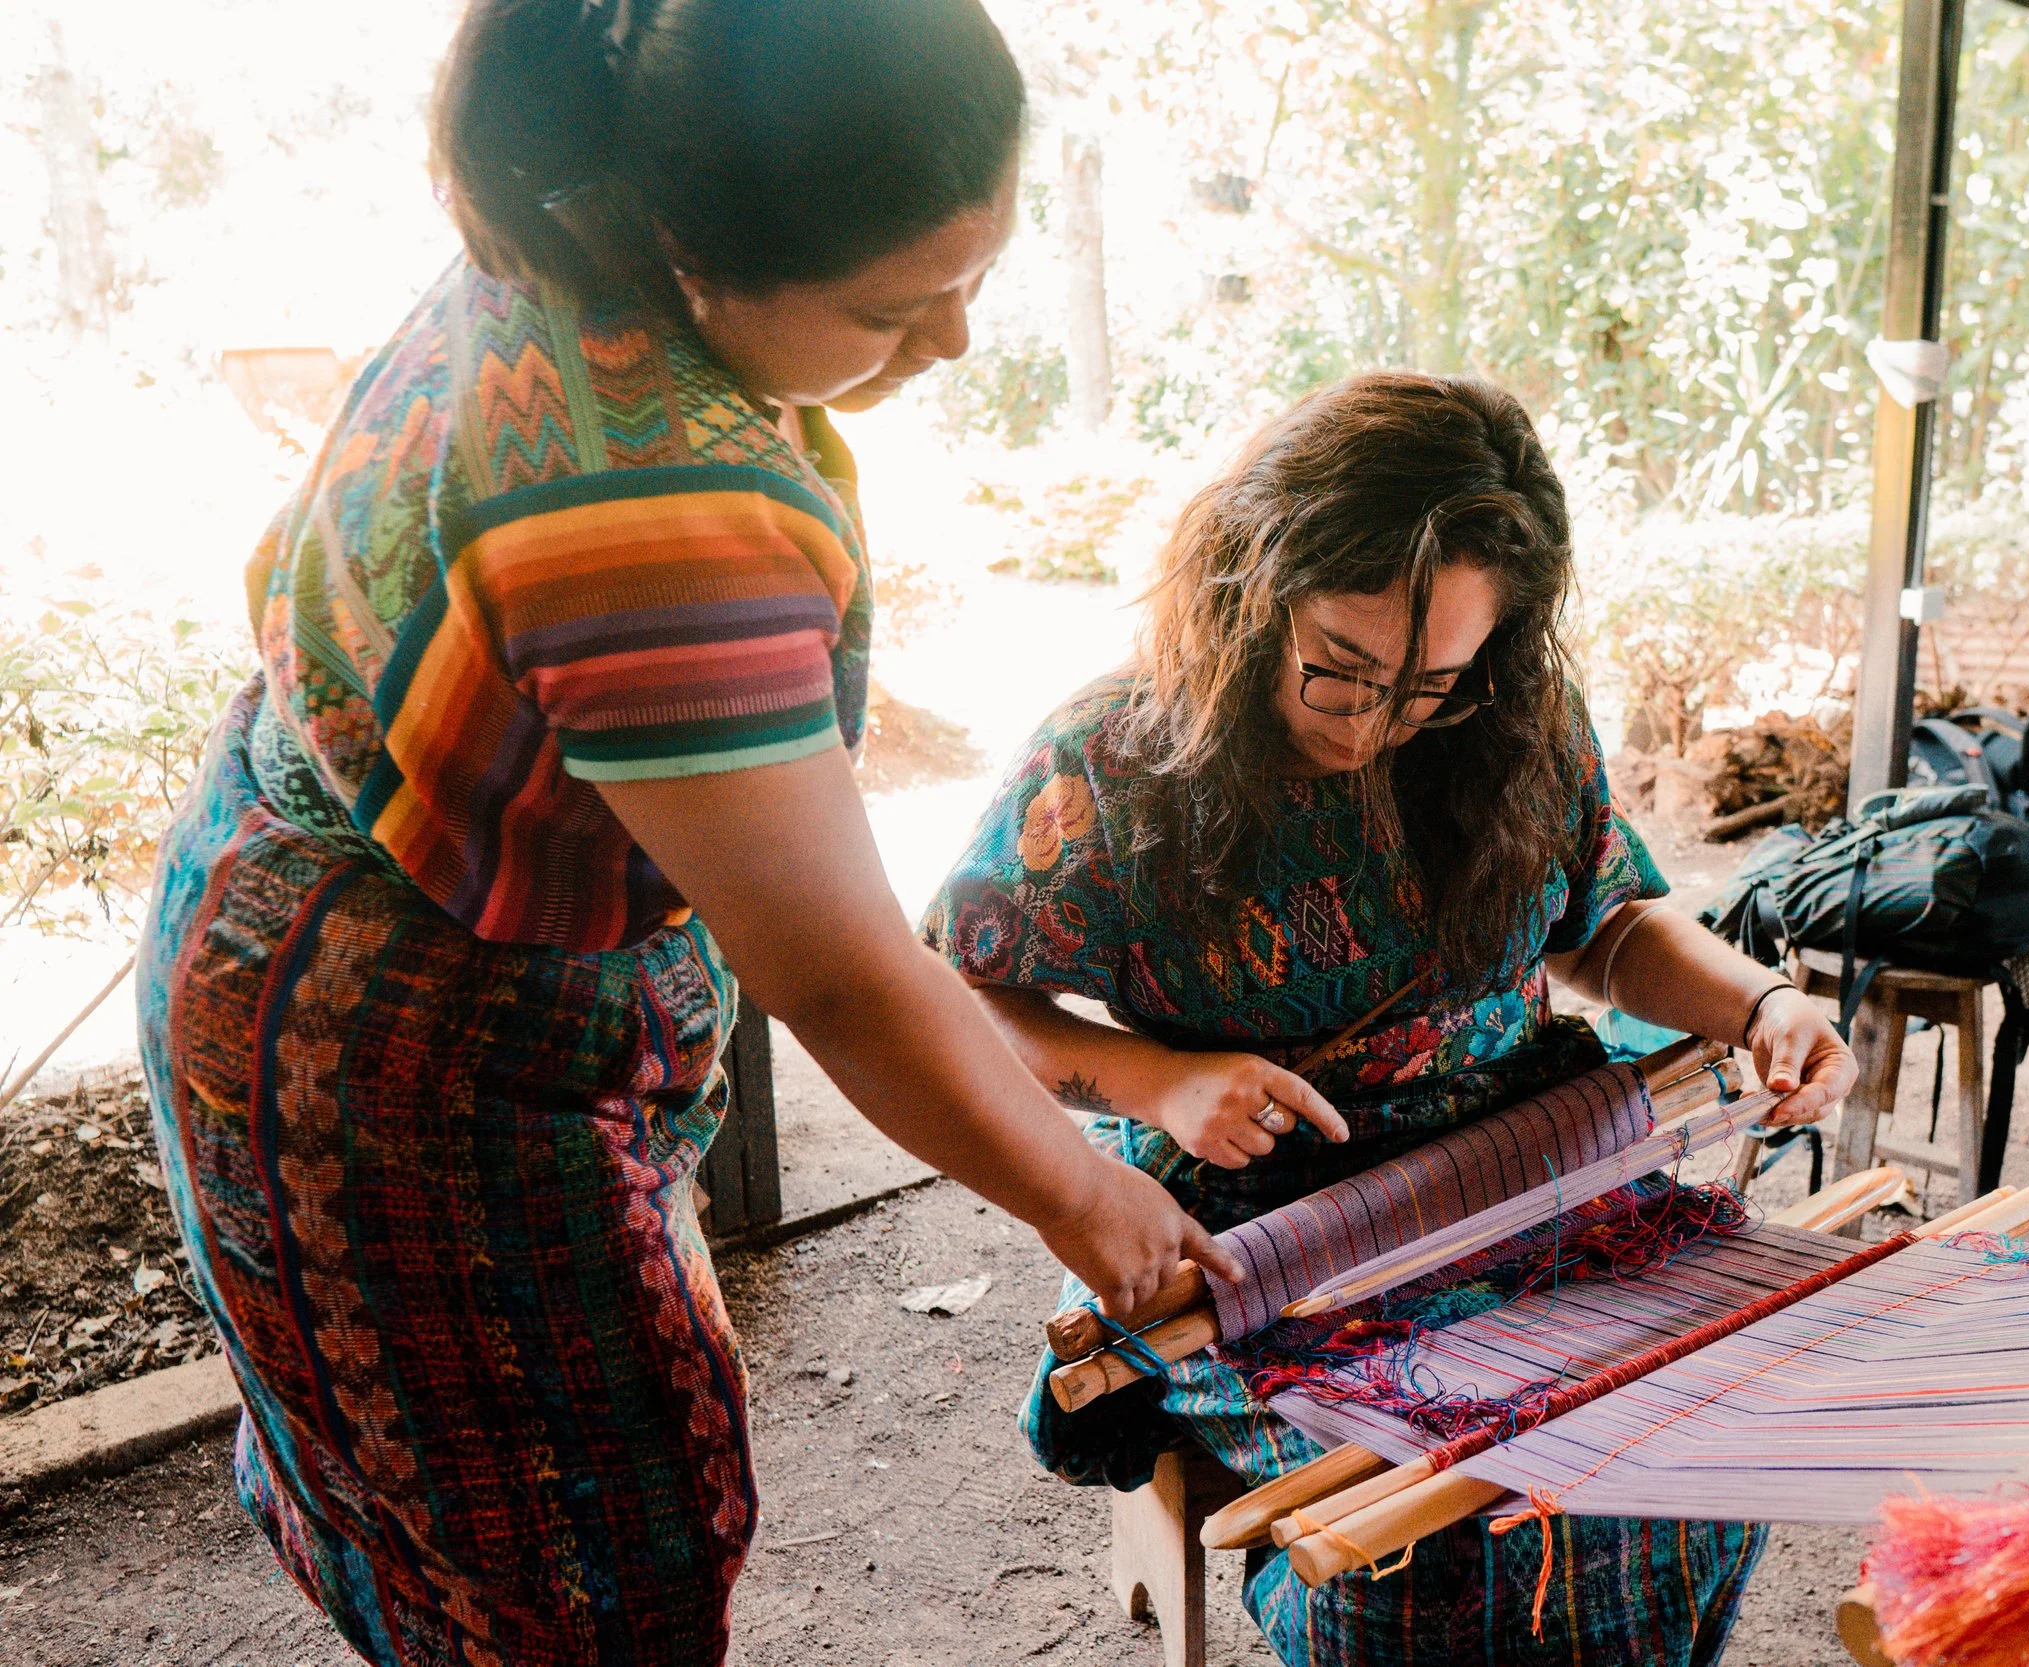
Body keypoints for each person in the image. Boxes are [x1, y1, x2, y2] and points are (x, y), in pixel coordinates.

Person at [135, 3, 1231, 1663]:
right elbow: (849, 973)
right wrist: (1087, 1196)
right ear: (686, 243)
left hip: (298, 919)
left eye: (977, 273)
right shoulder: (651, 509)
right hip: (412, 1071)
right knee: (587, 1563)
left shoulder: (564, 234)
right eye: (891, 305)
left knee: (485, 1501)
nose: (948, 339)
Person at [923, 371, 1860, 1664]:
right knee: (1443, 1542)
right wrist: (1156, 1082)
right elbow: (962, 994)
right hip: (1273, 1232)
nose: (1377, 719)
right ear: (1257, 582)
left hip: (1529, 1171)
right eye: (1342, 666)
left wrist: (1764, 1000)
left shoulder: (1513, 727)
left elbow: (1611, 926)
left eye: (1430, 681)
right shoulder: (1111, 761)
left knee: (1695, 1434)